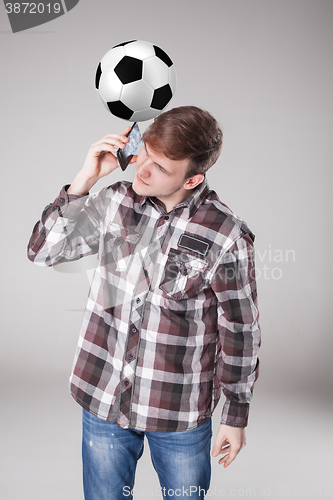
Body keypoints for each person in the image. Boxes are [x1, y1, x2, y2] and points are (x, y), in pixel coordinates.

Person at [27, 106, 261, 500]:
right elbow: (43, 252)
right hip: (103, 396)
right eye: (144, 155)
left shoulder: (226, 235)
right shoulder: (115, 201)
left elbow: (239, 331)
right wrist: (83, 181)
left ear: (193, 178)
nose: (143, 171)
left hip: (177, 410)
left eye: (161, 168)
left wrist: (235, 416)